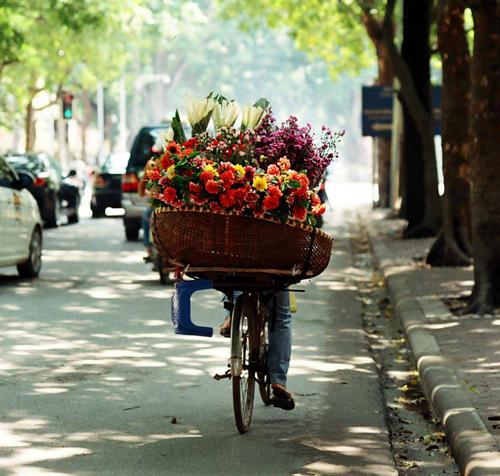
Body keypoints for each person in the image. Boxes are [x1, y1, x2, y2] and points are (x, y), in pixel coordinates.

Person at [220, 290, 295, 410]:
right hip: (272, 277)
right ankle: (278, 380)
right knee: (281, 317)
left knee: (231, 281)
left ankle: (231, 314)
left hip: (236, 274)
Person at [138, 158, 156, 260]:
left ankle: (148, 250)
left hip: (155, 204)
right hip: (172, 203)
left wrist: (143, 193)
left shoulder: (151, 162)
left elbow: (143, 182)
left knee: (145, 217)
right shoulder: (179, 158)